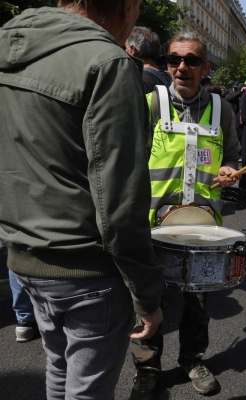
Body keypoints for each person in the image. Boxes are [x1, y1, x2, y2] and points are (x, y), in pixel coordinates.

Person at [0, 1, 164, 399]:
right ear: (126, 8)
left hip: (23, 256)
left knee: (59, 370)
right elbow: (121, 200)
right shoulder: (108, 62)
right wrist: (147, 294)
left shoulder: (8, 46)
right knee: (85, 388)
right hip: (86, 269)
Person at [128, 31, 240, 398]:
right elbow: (126, 161)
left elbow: (235, 157)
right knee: (149, 304)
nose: (180, 67)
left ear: (205, 68)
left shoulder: (222, 110)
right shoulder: (151, 104)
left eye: (191, 60)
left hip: (204, 230)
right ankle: (147, 369)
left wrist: (229, 169)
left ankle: (193, 359)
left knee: (198, 305)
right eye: (174, 60)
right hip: (153, 228)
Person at [126, 26, 172, 94]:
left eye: (126, 48)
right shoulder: (168, 77)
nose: (125, 51)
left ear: (133, 51)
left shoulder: (137, 80)